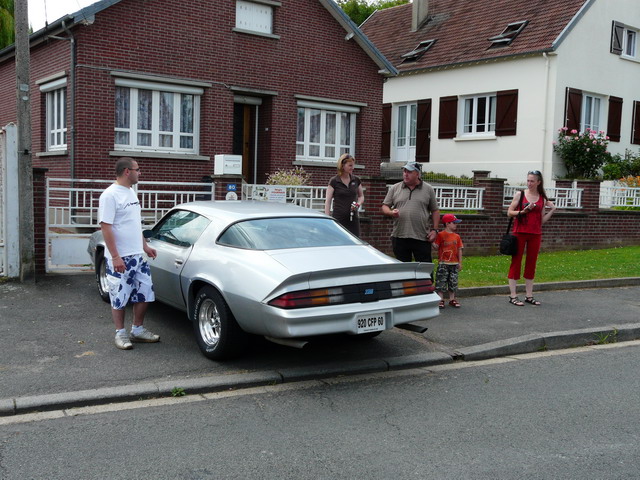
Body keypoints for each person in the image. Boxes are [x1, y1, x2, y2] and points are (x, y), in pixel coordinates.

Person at [98, 157, 160, 350]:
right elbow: (105, 227)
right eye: (137, 169)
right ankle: (120, 333)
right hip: (120, 257)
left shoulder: (131, 192)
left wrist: (144, 246)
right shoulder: (109, 195)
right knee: (119, 295)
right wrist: (115, 256)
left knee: (145, 292)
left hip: (137, 256)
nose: (140, 173)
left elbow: (134, 224)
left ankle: (138, 330)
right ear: (127, 171)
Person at [506, 170, 557, 306]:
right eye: (528, 180)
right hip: (519, 232)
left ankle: (529, 295)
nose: (529, 183)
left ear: (538, 182)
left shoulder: (542, 198)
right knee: (516, 262)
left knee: (531, 263)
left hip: (535, 234)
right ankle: (513, 295)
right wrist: (523, 211)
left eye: (532, 181)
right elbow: (509, 212)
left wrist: (552, 210)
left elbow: (541, 220)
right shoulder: (520, 194)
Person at [381, 161, 440, 263]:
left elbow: (435, 211)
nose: (405, 174)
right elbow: (385, 206)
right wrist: (391, 212)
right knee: (403, 271)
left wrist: (435, 230)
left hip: (421, 236)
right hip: (400, 235)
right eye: (404, 171)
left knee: (424, 270)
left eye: (409, 172)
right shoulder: (395, 188)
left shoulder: (428, 189)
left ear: (417, 174)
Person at [324, 153, 365, 236]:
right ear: (342, 165)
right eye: (350, 165)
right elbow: (328, 202)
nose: (352, 168)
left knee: (355, 243)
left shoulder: (356, 180)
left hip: (353, 219)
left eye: (353, 165)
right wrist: (327, 220)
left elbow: (361, 196)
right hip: (339, 219)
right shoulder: (334, 181)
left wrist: (358, 204)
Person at [433, 214, 463, 309]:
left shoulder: (457, 236)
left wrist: (460, 262)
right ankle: (440, 299)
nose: (455, 225)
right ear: (447, 224)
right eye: (454, 223)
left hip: (454, 264)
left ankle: (452, 299)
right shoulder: (440, 235)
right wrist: (431, 242)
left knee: (453, 282)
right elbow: (436, 247)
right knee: (441, 281)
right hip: (443, 264)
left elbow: (459, 249)